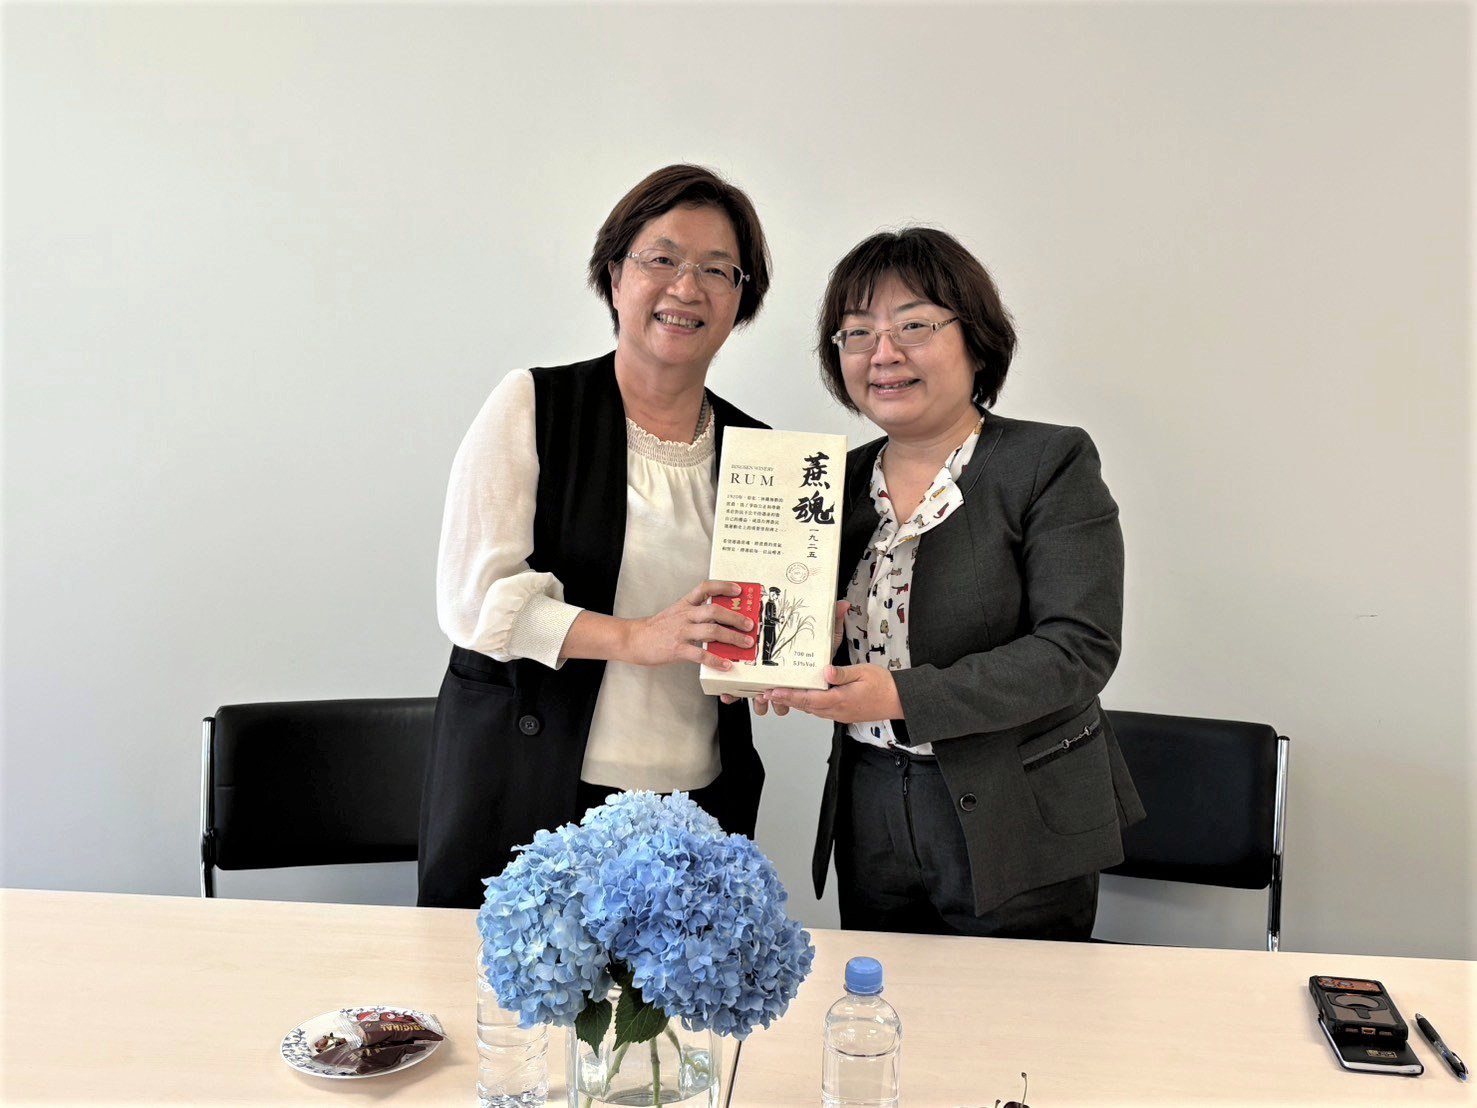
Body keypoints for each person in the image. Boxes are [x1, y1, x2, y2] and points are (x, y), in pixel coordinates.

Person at [766, 227, 1145, 939]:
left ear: (976, 340)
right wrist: (774, 658)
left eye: (913, 325)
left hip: (1017, 808)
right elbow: (823, 624)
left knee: (1015, 1009)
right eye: (857, 333)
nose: (883, 353)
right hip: (870, 803)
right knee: (882, 999)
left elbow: (1077, 650)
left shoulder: (1048, 461)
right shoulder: (828, 482)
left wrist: (903, 696)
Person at [417, 165, 772, 909]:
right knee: (517, 982)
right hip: (533, 787)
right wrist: (637, 637)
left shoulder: (761, 453)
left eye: (717, 270)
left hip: (697, 799)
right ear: (614, 277)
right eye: (662, 259)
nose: (687, 287)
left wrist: (791, 644)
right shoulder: (535, 404)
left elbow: (757, 618)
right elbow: (474, 603)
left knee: (684, 988)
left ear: (741, 299)